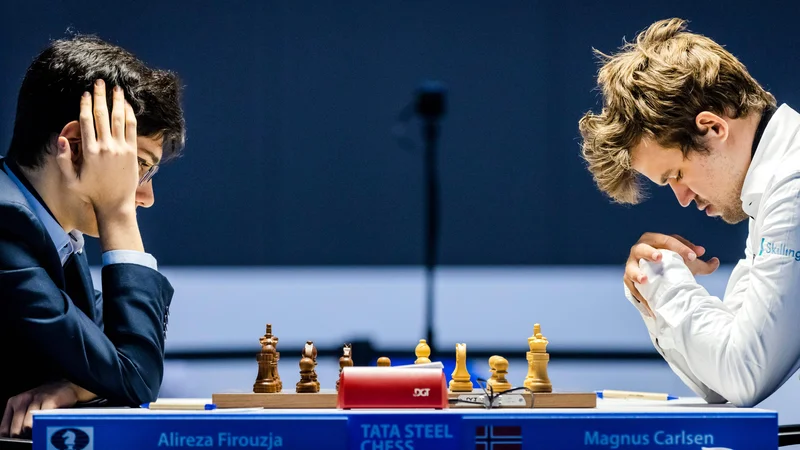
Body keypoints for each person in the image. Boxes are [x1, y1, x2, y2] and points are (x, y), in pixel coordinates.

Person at [579, 17, 800, 407]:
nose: (683, 198)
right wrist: (655, 283)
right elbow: (721, 384)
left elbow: (743, 373)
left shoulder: (792, 187)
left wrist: (666, 283)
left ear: (713, 128)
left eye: (677, 174)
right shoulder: (769, 187)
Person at [0, 34, 186, 437]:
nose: (146, 196)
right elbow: (136, 374)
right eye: (138, 166)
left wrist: (75, 385)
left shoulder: (48, 229)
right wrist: (117, 214)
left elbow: (118, 356)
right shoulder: (6, 227)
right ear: (79, 147)